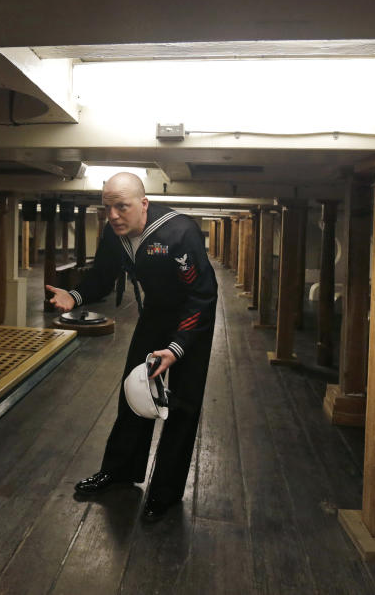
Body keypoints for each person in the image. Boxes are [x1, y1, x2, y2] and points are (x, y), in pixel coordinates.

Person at [46, 172, 218, 521]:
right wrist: (74, 295)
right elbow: (102, 277)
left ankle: (165, 493)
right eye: (107, 207)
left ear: (143, 204)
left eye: (121, 207)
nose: (112, 215)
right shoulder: (114, 233)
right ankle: (120, 470)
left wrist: (178, 347)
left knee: (182, 406)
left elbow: (203, 295)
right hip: (155, 315)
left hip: (191, 319)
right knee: (134, 393)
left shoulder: (179, 233)